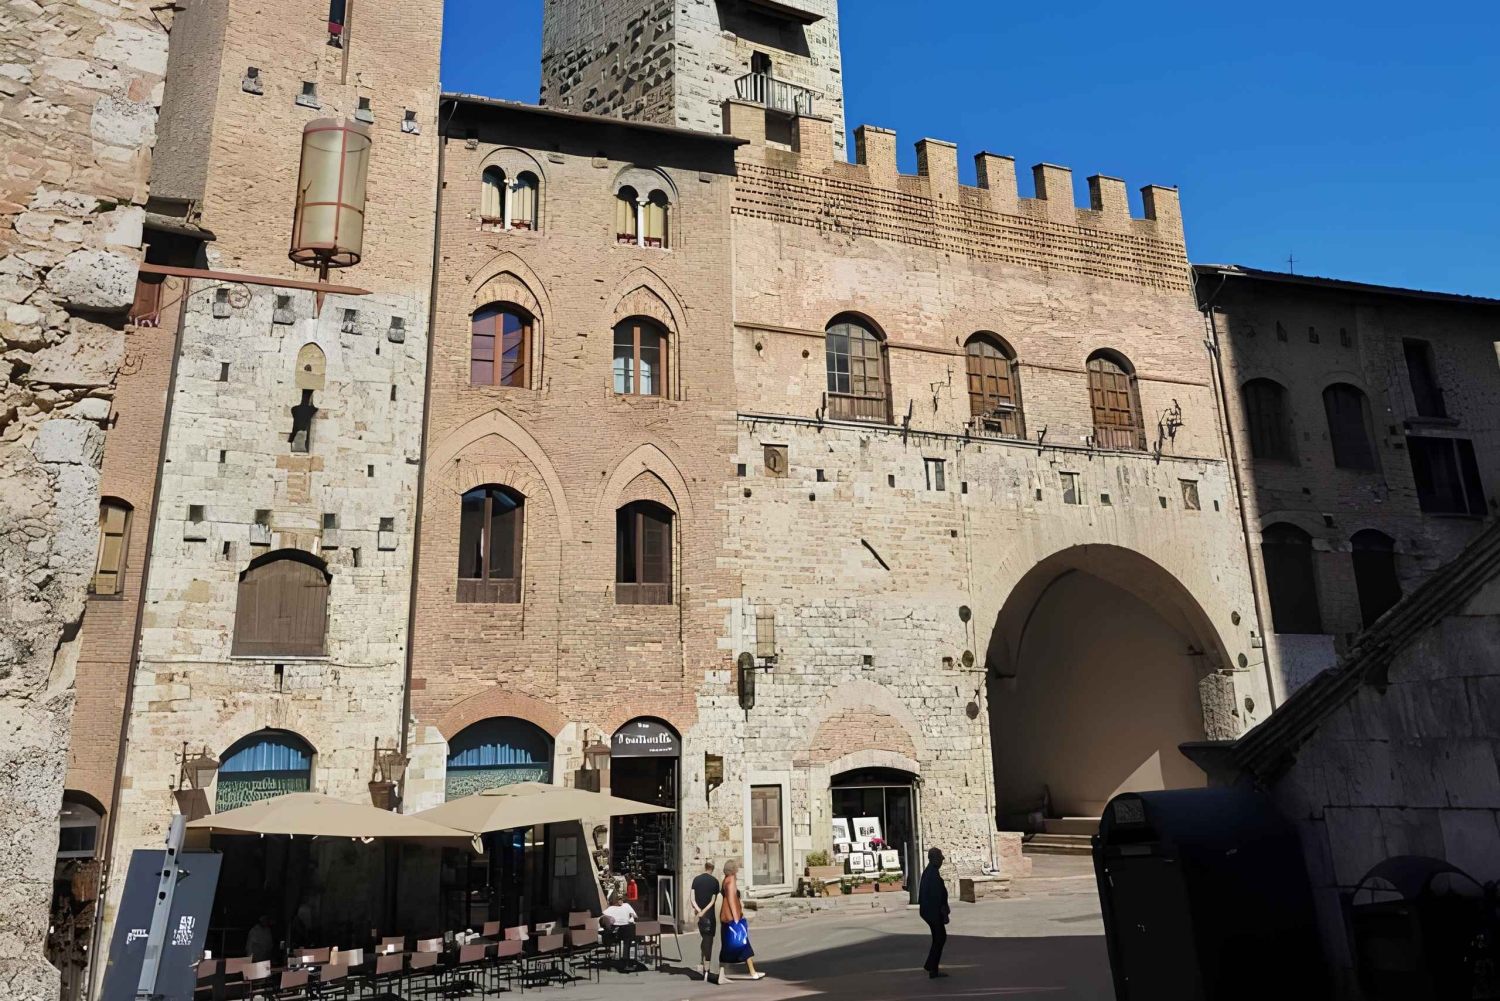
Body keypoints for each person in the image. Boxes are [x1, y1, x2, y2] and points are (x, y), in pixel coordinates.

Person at [718, 859, 763, 981]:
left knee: (726, 946)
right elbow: (732, 899)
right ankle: (753, 973)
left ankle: (721, 974)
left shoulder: (725, 880)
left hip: (725, 917)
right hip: (733, 918)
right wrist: (737, 919)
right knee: (744, 943)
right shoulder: (731, 880)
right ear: (734, 869)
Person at [918, 847, 950, 978]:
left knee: (939, 937)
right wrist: (943, 914)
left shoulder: (930, 871)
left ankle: (933, 969)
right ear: (935, 858)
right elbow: (937, 897)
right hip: (932, 911)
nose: (942, 860)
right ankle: (931, 966)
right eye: (940, 857)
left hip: (928, 911)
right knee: (940, 937)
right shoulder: (932, 873)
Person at [691, 860, 721, 983]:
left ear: (705, 866)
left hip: (699, 915)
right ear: (713, 868)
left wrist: (698, 911)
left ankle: (702, 965)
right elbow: (713, 900)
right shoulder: (714, 882)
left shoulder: (696, 880)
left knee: (704, 939)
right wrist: (704, 912)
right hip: (709, 916)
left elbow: (692, 898)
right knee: (708, 942)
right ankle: (706, 971)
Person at [601, 891, 640, 970]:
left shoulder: (626, 906)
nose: (620, 901)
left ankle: (625, 959)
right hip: (619, 930)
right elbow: (603, 917)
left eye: (621, 899)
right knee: (626, 934)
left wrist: (632, 918)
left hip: (623, 929)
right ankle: (624, 960)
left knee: (628, 933)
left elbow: (635, 916)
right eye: (618, 899)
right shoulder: (611, 908)